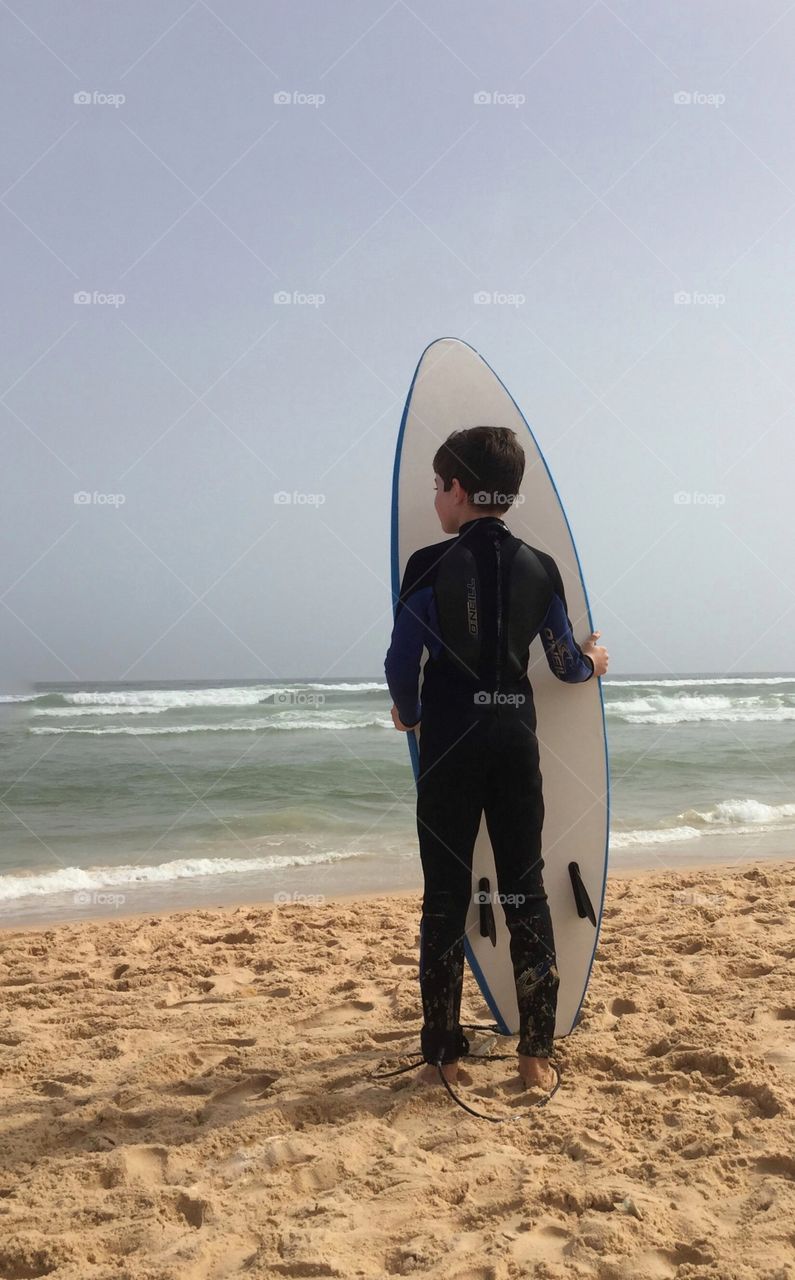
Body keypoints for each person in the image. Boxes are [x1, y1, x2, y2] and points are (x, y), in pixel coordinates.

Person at [384, 425, 609, 1092]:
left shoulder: (426, 565)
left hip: (449, 741)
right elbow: (565, 663)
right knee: (525, 887)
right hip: (513, 740)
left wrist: (409, 712)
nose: (433, 500)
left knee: (444, 898)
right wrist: (594, 662)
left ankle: (445, 1060)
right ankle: (535, 1057)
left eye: (435, 487)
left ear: (457, 491)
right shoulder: (541, 567)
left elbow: (403, 659)